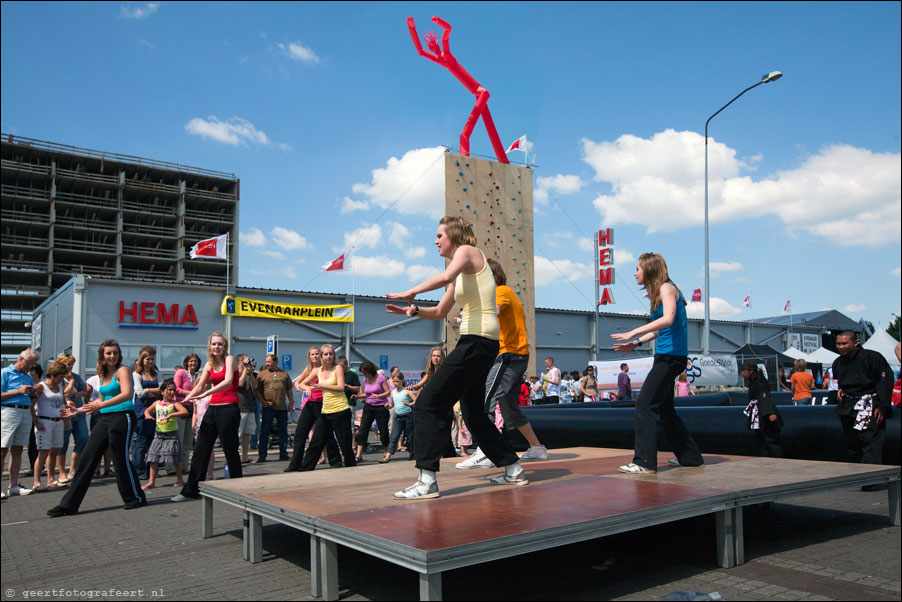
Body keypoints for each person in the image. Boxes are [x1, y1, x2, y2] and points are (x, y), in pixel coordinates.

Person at [386, 216, 525, 499]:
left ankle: (427, 480)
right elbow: (439, 311)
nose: (436, 241)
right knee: (473, 412)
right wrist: (413, 311)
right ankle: (513, 468)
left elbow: (445, 277)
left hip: (476, 342)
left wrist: (410, 291)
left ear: (455, 235)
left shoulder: (468, 252)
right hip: (480, 344)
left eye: (439, 235)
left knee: (426, 403)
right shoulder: (461, 273)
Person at [612, 252, 704, 474]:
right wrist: (637, 343)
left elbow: (668, 319)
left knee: (645, 403)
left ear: (649, 269)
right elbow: (661, 328)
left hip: (671, 357)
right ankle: (690, 457)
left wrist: (633, 331)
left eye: (637, 269)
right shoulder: (659, 292)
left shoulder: (666, 288)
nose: (634, 273)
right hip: (666, 356)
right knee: (665, 409)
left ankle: (644, 462)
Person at [460, 257, 547, 468]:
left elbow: (494, 311)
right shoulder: (500, 294)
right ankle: (537, 448)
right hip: (516, 356)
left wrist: (468, 315)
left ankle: (485, 451)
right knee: (509, 409)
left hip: (510, 355)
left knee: (487, 397)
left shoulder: (500, 292)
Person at [48, 339, 147, 516]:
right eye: (108, 353)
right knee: (88, 457)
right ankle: (68, 505)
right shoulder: (102, 374)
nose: (112, 356)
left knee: (119, 458)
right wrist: (78, 410)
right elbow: (99, 400)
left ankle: (134, 498)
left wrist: (98, 406)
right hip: (105, 417)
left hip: (123, 417)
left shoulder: (123, 370)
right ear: (102, 355)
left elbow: (126, 394)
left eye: (115, 352)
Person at [171, 332, 243, 502]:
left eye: (219, 344)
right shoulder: (210, 364)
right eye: (213, 344)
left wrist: (207, 393)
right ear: (209, 346)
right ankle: (191, 490)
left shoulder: (229, 360)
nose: (216, 347)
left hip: (229, 409)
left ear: (224, 346)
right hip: (213, 410)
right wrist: (188, 397)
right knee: (201, 450)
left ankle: (240, 490)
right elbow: (200, 385)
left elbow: (227, 381)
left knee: (230, 450)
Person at [832, 331, 893, 468]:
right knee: (852, 443)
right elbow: (839, 382)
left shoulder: (872, 357)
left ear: (855, 342)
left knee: (870, 442)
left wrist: (882, 405)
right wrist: (840, 390)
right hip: (848, 406)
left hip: (870, 405)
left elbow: (884, 381)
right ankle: (858, 475)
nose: (841, 347)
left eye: (844, 343)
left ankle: (873, 480)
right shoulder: (838, 362)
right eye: (838, 344)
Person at [297, 344, 356, 470]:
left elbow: (341, 387)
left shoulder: (338, 368)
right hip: (326, 411)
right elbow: (300, 383)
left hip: (341, 410)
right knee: (316, 443)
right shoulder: (317, 370)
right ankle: (305, 468)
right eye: (326, 354)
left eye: (330, 354)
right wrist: (306, 387)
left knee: (345, 444)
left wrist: (322, 386)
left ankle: (351, 467)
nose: (328, 356)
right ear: (322, 356)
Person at [285, 347, 342, 471]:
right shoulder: (309, 369)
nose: (315, 356)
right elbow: (298, 383)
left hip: (323, 403)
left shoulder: (324, 369)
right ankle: (295, 464)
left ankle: (335, 461)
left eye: (317, 354)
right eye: (312, 354)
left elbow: (334, 385)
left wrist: (318, 387)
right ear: (309, 357)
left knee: (326, 434)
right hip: (310, 404)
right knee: (300, 433)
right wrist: (304, 387)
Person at [2, 347, 39, 498]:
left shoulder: (28, 377)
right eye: (29, 363)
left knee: (17, 450)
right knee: (2, 449)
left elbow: (29, 396)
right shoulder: (4, 373)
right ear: (21, 359)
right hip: (8, 411)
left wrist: (34, 393)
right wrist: (17, 391)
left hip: (25, 411)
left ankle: (14, 485)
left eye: (33, 365)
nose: (31, 367)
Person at [141, 378, 188, 489]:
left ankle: (180, 479)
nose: (172, 392)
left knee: (175, 457)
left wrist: (172, 415)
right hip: (159, 434)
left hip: (171, 434)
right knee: (153, 456)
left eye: (173, 390)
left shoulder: (174, 404)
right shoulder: (157, 403)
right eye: (169, 390)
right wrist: (147, 414)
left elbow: (184, 411)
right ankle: (151, 482)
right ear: (162, 392)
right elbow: (147, 410)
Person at [30, 360, 68, 491]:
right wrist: (36, 422)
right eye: (60, 376)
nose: (61, 379)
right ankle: (36, 482)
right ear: (52, 374)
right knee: (43, 452)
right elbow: (31, 404)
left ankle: (51, 479)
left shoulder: (60, 387)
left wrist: (66, 417)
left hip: (58, 421)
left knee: (55, 451)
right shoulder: (41, 386)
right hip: (44, 421)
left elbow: (63, 403)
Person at [255, 354, 294, 462]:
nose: (267, 364)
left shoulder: (284, 374)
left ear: (275, 361)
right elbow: (256, 390)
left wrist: (291, 402)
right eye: (266, 362)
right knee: (265, 431)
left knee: (283, 431)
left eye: (269, 361)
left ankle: (283, 454)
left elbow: (289, 390)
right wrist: (263, 401)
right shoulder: (262, 374)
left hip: (282, 407)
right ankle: (262, 455)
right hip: (268, 407)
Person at [740, 361, 783, 458]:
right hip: (758, 413)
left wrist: (770, 413)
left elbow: (764, 397)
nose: (742, 373)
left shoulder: (760, 382)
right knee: (761, 439)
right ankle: (765, 459)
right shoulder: (754, 382)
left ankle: (778, 460)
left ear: (751, 371)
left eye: (744, 371)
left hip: (764, 412)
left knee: (769, 440)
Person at [58, 355, 90, 483]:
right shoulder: (57, 378)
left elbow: (84, 391)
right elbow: (65, 393)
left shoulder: (76, 377)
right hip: (64, 414)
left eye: (71, 364)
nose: (69, 366)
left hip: (78, 413)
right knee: (62, 444)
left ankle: (73, 469)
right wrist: (70, 382)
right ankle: (61, 472)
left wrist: (75, 394)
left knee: (83, 439)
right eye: (67, 364)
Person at [132, 346, 161, 479]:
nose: (150, 361)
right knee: (141, 441)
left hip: (154, 408)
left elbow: (162, 389)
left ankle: (150, 470)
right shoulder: (136, 374)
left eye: (152, 359)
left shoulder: (156, 373)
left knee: (152, 441)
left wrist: (148, 390)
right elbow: (139, 392)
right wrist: (152, 390)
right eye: (147, 359)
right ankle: (139, 470)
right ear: (142, 360)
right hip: (141, 409)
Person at [355, 361, 392, 463]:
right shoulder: (365, 380)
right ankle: (358, 455)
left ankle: (386, 453)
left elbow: (388, 392)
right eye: (363, 373)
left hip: (381, 407)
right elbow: (367, 394)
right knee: (362, 430)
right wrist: (358, 396)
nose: (364, 374)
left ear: (370, 371)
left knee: (383, 431)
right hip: (369, 406)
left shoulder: (381, 378)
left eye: (365, 372)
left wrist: (379, 396)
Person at [174, 353, 201, 476]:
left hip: (192, 408)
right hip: (180, 407)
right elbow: (176, 389)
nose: (193, 363)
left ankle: (185, 466)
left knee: (188, 441)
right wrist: (190, 393)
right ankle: (172, 467)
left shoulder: (197, 376)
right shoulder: (181, 373)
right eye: (191, 361)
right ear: (186, 362)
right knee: (177, 439)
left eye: (195, 361)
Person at [381, 373, 417, 463]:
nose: (396, 383)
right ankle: (387, 456)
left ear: (402, 381)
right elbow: (391, 405)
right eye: (394, 381)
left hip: (408, 416)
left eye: (397, 381)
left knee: (410, 437)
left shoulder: (406, 392)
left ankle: (413, 454)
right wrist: (387, 405)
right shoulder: (392, 393)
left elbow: (416, 401)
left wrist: (409, 404)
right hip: (398, 417)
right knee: (394, 436)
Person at [235, 354, 258, 465]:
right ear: (241, 361)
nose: (249, 362)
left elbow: (255, 385)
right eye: (246, 360)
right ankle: (234, 456)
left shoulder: (250, 373)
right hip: (239, 407)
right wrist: (244, 370)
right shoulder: (235, 373)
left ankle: (245, 456)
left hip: (250, 407)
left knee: (247, 433)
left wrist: (250, 373)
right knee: (237, 433)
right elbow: (240, 383)